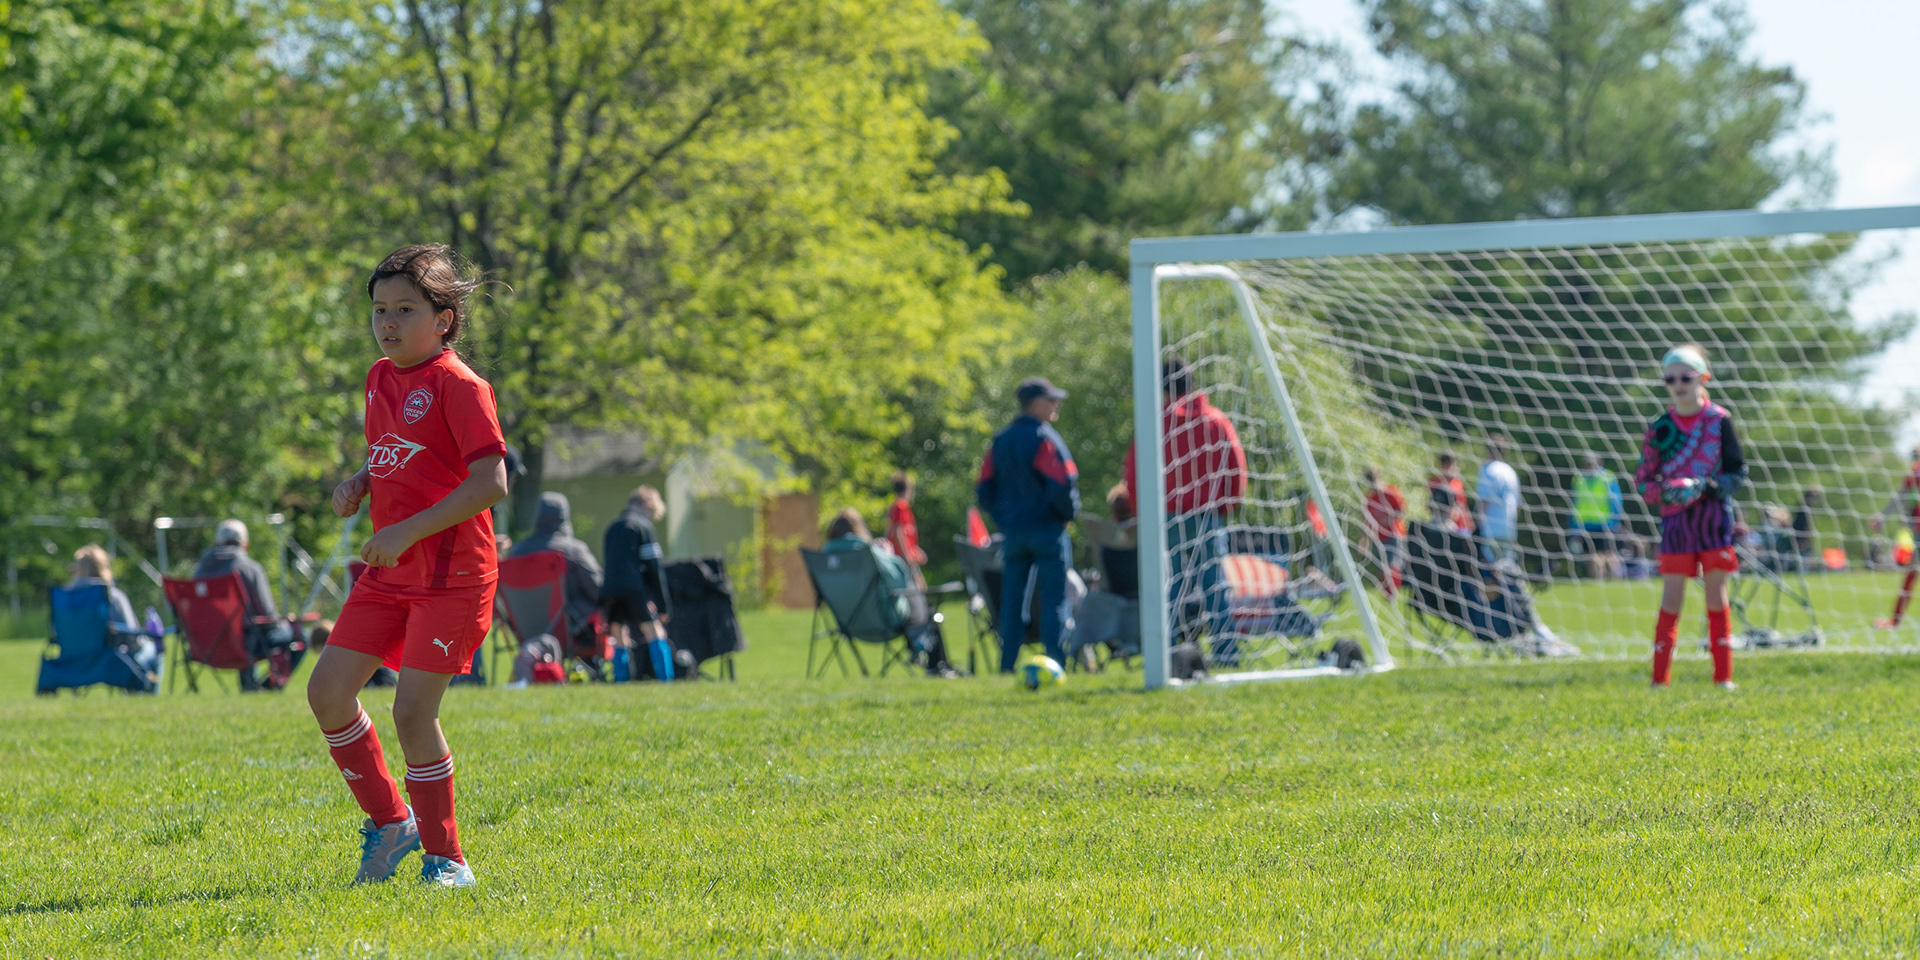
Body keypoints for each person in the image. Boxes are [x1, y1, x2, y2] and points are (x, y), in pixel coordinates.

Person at [306, 244, 509, 888]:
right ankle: (391, 824)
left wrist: (405, 531)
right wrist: (360, 482)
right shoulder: (378, 377)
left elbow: (491, 483)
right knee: (327, 693)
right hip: (391, 571)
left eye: (404, 309)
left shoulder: (461, 385)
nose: (387, 322)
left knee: (412, 714)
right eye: (379, 309)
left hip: (452, 578)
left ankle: (447, 859)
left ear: (443, 318)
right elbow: (402, 454)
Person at [1635, 343, 1747, 689]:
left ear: (1702, 378)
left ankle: (1723, 678)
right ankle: (1659, 679)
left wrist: (1705, 486)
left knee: (1716, 597)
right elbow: (1644, 480)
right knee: (1671, 599)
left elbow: (1737, 473)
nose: (1678, 383)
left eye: (1686, 376)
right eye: (1671, 378)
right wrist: (1667, 492)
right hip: (1676, 526)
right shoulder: (1660, 427)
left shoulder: (1719, 420)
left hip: (1713, 522)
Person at [1123, 356, 1247, 658]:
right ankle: (1226, 651)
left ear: (1162, 388)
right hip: (1207, 515)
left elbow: (1133, 470)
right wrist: (1230, 503)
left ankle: (1164, 653)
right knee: (1214, 584)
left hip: (1168, 516)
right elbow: (1236, 465)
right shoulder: (1215, 420)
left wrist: (1141, 512)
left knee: (1172, 585)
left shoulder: (1155, 423)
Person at [978, 376, 1080, 673]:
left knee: (1011, 603)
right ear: (1036, 404)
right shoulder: (1045, 439)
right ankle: (1054, 663)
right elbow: (1062, 484)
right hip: (1048, 531)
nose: (1056, 405)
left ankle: (1006, 666)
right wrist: (1065, 515)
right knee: (1054, 601)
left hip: (1014, 534)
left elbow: (984, 488)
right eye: (1051, 400)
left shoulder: (1001, 440)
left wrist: (1004, 519)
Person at [822, 508, 956, 677]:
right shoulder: (866, 551)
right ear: (858, 529)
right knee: (922, 603)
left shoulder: (824, 558)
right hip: (882, 620)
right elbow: (899, 578)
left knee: (917, 603)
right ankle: (933, 662)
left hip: (847, 623)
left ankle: (922, 653)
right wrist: (887, 554)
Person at [194, 519, 295, 679]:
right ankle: (266, 686)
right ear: (245, 544)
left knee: (249, 631)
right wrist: (284, 621)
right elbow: (267, 614)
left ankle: (253, 684)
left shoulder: (200, 570)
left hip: (205, 645)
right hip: (246, 643)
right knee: (295, 633)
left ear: (216, 542)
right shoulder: (249, 568)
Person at [506, 491, 605, 656]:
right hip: (567, 626)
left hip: (524, 628)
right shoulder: (573, 550)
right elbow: (599, 589)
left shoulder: (516, 552)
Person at [601, 486, 672, 671]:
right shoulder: (643, 526)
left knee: (618, 633)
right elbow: (654, 568)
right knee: (653, 630)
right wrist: (663, 606)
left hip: (610, 589)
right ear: (648, 505)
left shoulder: (613, 526)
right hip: (633, 588)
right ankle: (666, 678)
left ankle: (621, 679)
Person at [68, 544, 160, 682]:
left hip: (74, 659)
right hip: (111, 659)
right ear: (103, 567)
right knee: (154, 649)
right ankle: (147, 691)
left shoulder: (65, 596)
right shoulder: (112, 595)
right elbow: (131, 635)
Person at [1876, 450, 1920, 627]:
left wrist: (1882, 516)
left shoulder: (1915, 472)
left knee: (1912, 571)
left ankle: (1895, 620)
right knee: (1912, 570)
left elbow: (1900, 496)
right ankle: (1895, 619)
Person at [1569, 453, 1624, 579]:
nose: (1589, 467)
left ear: (1599, 464)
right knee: (1591, 555)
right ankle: (1597, 582)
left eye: (1591, 464)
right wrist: (1574, 527)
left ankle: (1617, 579)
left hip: (1605, 522)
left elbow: (1616, 501)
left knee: (1608, 554)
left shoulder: (1607, 478)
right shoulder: (1578, 479)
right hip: (1586, 524)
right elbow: (1575, 504)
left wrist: (1616, 520)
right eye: (1587, 465)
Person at [1362, 466, 1407, 597]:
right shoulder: (1369, 500)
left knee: (1394, 565)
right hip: (1380, 538)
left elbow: (1402, 509)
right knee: (1384, 566)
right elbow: (1368, 522)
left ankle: (1392, 592)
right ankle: (1388, 592)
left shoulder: (1391, 492)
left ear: (1380, 478)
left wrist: (1389, 520)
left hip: (1395, 535)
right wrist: (1364, 541)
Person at [1476, 434, 1521, 564]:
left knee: (1490, 571)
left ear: (1488, 450)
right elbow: (1518, 505)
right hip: (1509, 528)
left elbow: (1485, 500)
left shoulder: (1488, 470)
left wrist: (1476, 523)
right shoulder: (1510, 472)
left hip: (1491, 528)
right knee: (1506, 569)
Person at [884, 472, 929, 572]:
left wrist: (915, 550)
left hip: (906, 558)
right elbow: (897, 532)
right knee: (916, 586)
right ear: (907, 489)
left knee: (920, 586)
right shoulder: (900, 506)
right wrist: (907, 558)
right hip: (901, 559)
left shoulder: (903, 508)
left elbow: (907, 534)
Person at [1427, 451, 1472, 535]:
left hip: (1462, 528)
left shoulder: (1458, 483)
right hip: (1446, 527)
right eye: (1449, 466)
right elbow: (1431, 506)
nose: (1453, 469)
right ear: (1442, 465)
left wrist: (1471, 525)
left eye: (1455, 465)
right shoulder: (1435, 483)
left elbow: (1463, 506)